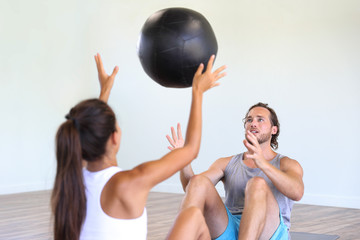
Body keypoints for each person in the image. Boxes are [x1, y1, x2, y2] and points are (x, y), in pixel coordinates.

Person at [51, 53, 226, 240]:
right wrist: (197, 91)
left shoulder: (71, 182)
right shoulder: (128, 183)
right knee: (193, 217)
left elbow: (89, 130)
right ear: (114, 138)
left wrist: (105, 92)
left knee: (192, 216)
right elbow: (191, 149)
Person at [166, 103, 304, 240]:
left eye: (260, 119)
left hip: (270, 231)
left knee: (257, 184)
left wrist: (263, 164)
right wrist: (184, 161)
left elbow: (297, 193)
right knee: (199, 181)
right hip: (231, 228)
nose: (253, 123)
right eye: (249, 120)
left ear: (274, 129)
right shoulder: (226, 163)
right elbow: (192, 188)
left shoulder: (287, 163)